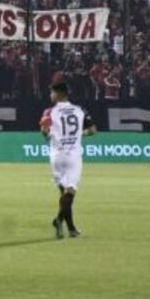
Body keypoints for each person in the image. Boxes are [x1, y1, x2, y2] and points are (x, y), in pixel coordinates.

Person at [40, 82, 96, 239]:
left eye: (52, 93)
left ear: (59, 94)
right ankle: (58, 220)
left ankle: (70, 228)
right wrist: (79, 134)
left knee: (63, 194)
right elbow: (92, 130)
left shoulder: (49, 111)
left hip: (56, 156)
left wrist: (47, 134)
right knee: (70, 192)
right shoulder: (79, 110)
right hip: (72, 156)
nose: (50, 96)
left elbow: (44, 132)